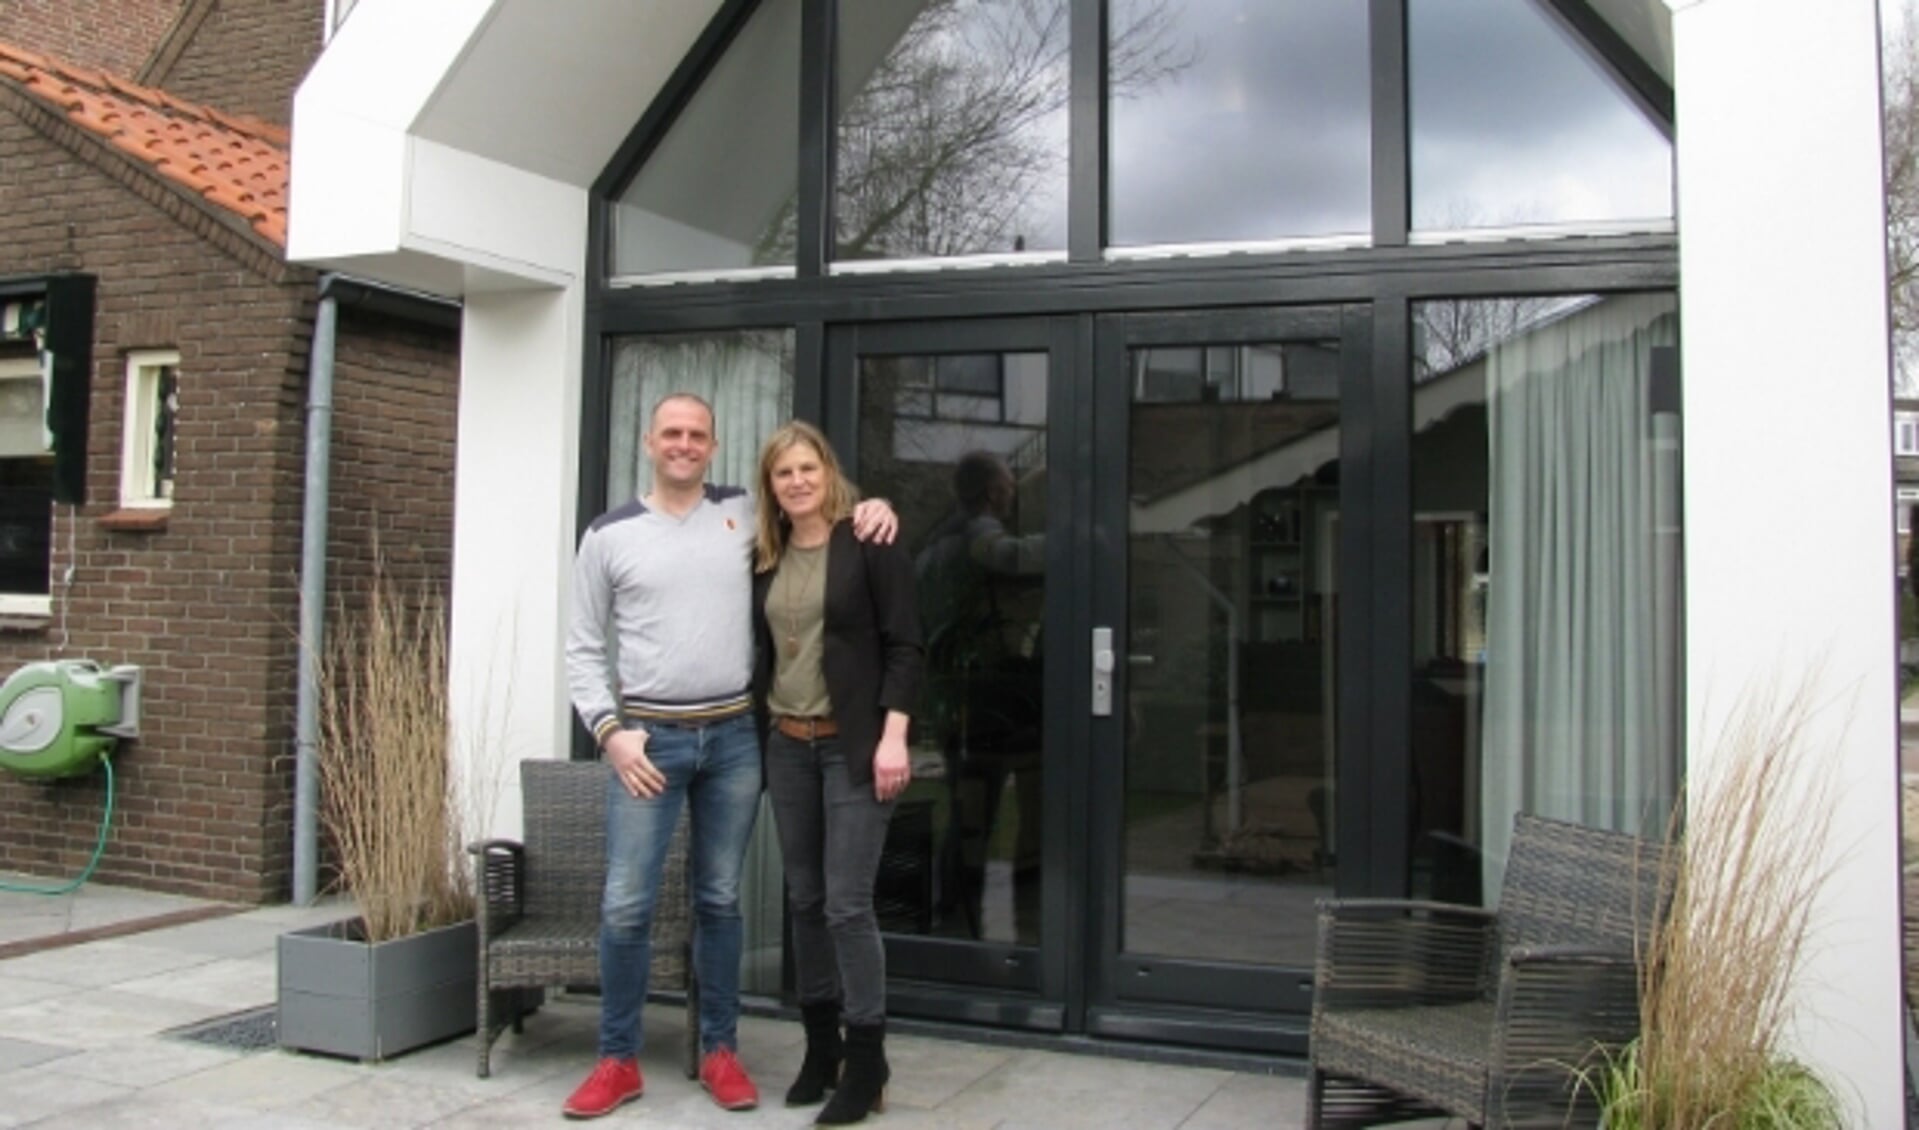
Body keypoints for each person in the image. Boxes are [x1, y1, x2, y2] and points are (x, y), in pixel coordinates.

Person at [562, 394, 895, 1120]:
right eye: (671, 434)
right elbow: (583, 650)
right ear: (647, 441)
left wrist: (875, 505)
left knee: (720, 899)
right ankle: (616, 1059)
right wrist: (611, 734)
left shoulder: (747, 514)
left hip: (738, 739)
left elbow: (820, 510)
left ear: (713, 447)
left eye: (697, 435)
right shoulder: (609, 534)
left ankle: (719, 1051)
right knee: (626, 903)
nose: (683, 445)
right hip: (648, 741)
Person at [751, 421, 922, 1126]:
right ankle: (820, 1051)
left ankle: (867, 1058)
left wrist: (894, 738)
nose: (796, 482)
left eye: (807, 469)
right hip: (787, 745)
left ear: (828, 474)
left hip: (854, 747)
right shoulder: (761, 556)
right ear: (771, 485)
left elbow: (907, 646)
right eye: (783, 473)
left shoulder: (869, 542)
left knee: (846, 905)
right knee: (804, 899)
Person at [913, 450, 1045, 940]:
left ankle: (953, 922)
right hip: (981, 700)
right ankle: (956, 922)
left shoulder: (933, 543)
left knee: (967, 814)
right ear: (992, 492)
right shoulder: (975, 537)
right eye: (1009, 487)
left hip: (949, 695)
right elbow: (1013, 556)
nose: (1013, 494)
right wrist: (1081, 534)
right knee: (976, 815)